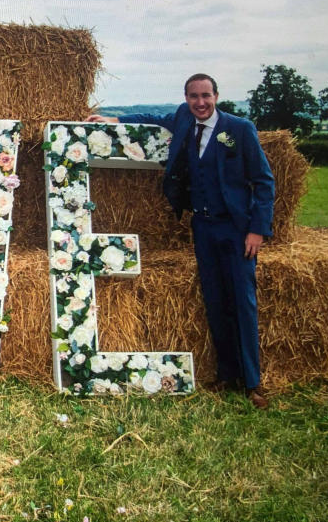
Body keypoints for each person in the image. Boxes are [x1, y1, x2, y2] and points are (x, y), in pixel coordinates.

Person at [88, 73, 275, 409]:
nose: (200, 103)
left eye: (205, 96)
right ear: (186, 98)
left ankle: (252, 383)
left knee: (242, 303)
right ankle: (226, 375)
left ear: (216, 95)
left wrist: (257, 230)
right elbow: (152, 119)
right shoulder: (184, 118)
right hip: (202, 228)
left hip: (236, 230)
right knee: (215, 301)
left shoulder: (240, 129)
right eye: (193, 96)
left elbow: (263, 182)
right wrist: (114, 118)